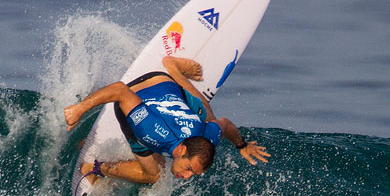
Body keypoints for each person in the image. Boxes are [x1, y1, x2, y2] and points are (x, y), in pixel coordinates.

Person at [64, 56, 270, 185]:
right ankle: (94, 168)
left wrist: (241, 145)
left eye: (193, 174)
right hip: (137, 93)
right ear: (182, 151)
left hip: (163, 80)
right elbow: (119, 90)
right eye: (189, 169)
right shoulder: (151, 132)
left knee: (209, 118)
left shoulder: (207, 138)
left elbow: (224, 124)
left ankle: (174, 68)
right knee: (155, 175)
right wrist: (79, 109)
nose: (187, 177)